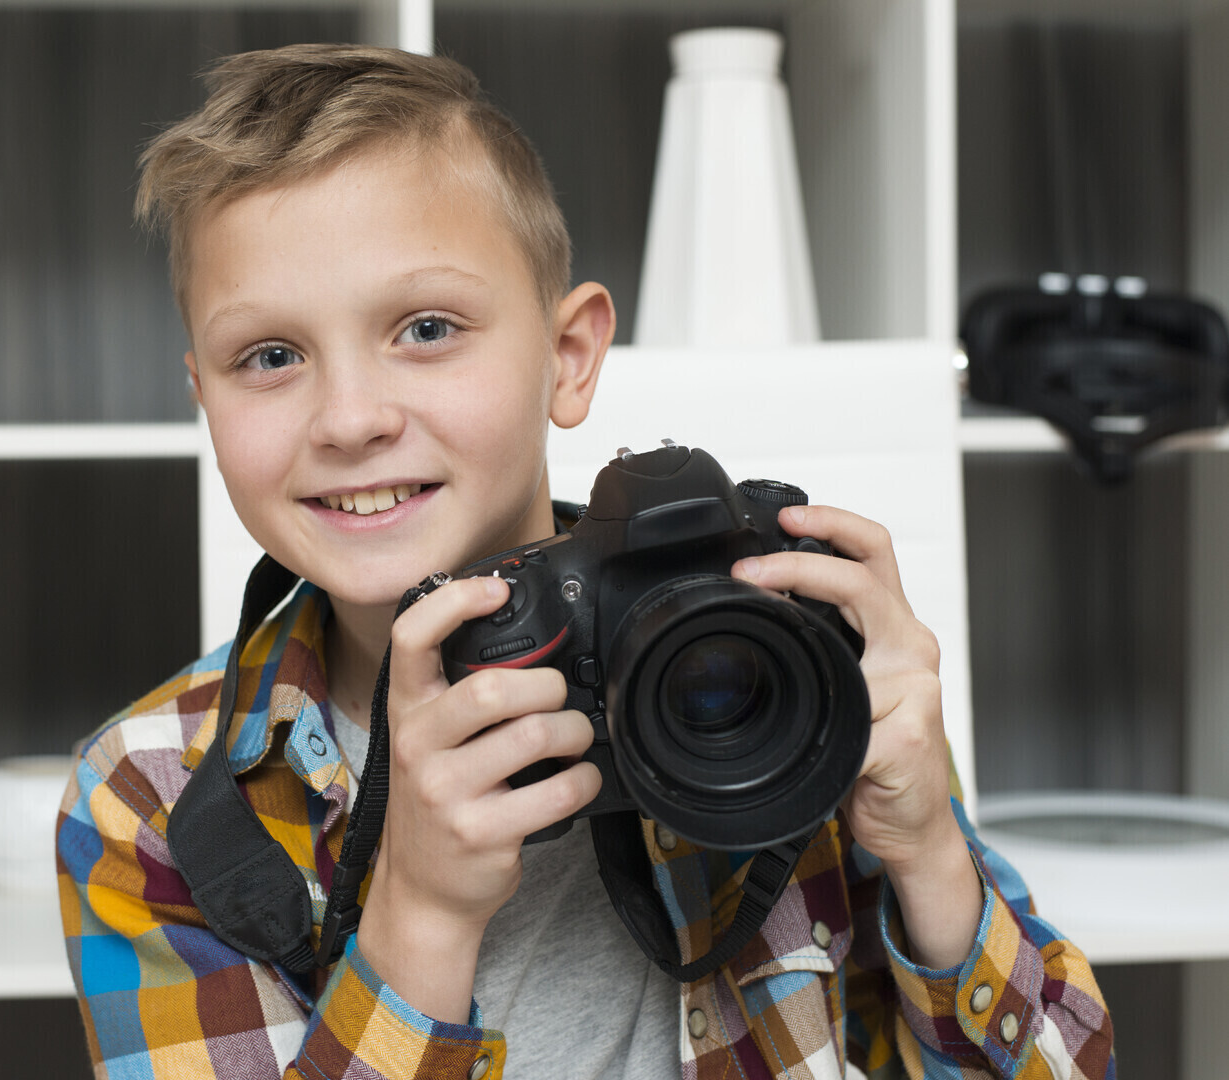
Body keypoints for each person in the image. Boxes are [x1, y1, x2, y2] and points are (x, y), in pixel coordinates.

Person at [56, 43, 1115, 1080]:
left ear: (567, 359)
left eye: (425, 328)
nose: (349, 418)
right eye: (271, 357)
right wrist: (418, 918)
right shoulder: (150, 797)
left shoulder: (772, 650)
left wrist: (926, 847)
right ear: (204, 399)